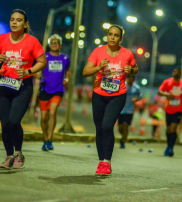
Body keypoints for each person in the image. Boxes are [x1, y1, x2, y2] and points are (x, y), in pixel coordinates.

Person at [0, 9, 46, 169]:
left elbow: (42, 62)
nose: (14, 22)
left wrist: (28, 71)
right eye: (12, 19)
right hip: (4, 84)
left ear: (25, 24)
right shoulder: (1, 39)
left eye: (18, 20)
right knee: (5, 123)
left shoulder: (32, 41)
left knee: (14, 121)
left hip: (23, 86)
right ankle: (8, 156)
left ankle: (19, 153)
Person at [83, 25, 138, 175]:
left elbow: (135, 68)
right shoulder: (98, 52)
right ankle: (101, 162)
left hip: (118, 95)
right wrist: (98, 67)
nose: (112, 37)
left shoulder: (127, 54)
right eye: (110, 34)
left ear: (121, 38)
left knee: (107, 125)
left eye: (116, 35)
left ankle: (107, 161)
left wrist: (131, 70)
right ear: (107, 36)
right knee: (99, 128)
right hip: (99, 93)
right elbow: (85, 71)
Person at [35, 34, 70, 151]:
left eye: (57, 43)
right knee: (44, 117)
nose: (54, 44)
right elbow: (35, 70)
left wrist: (67, 79)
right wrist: (37, 74)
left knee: (53, 112)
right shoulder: (44, 57)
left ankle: (50, 139)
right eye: (52, 43)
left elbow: (68, 70)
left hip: (58, 89)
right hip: (45, 88)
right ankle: (45, 138)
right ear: (49, 45)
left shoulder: (65, 58)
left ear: (60, 45)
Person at [158, 67, 182, 157]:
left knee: (173, 128)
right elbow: (159, 91)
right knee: (168, 129)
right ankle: (168, 146)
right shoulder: (167, 82)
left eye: (177, 72)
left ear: (180, 74)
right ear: (173, 73)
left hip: (178, 109)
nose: (175, 73)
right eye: (174, 71)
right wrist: (166, 94)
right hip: (168, 108)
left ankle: (171, 148)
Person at [118, 75, 142, 149]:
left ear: (133, 80)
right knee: (120, 128)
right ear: (127, 79)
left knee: (126, 126)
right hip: (121, 109)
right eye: (129, 80)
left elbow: (140, 96)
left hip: (130, 110)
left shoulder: (136, 88)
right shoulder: (121, 85)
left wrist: (135, 100)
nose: (130, 81)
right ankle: (124, 136)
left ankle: (123, 141)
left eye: (132, 80)